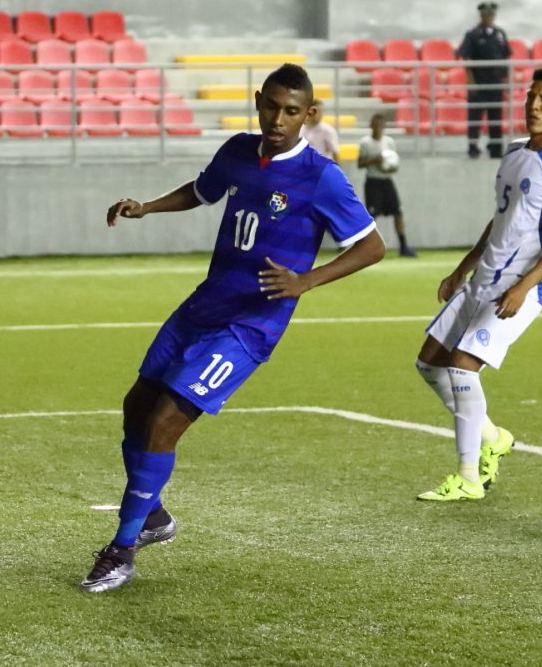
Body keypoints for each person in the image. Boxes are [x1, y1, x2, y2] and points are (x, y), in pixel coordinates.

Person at [83, 64, 385, 592]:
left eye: (292, 111)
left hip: (250, 326)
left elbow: (371, 245)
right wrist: (147, 207)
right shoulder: (238, 151)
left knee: (165, 423)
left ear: (310, 115)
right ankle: (152, 515)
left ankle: (122, 549)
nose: (278, 118)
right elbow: (202, 191)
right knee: (135, 406)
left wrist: (307, 280)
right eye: (270, 106)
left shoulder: (321, 176)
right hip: (203, 307)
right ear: (258, 101)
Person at [414, 67, 542, 502]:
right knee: (429, 363)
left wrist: (524, 287)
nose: (534, 105)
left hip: (517, 288)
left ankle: (469, 477)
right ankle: (494, 437)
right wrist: (462, 268)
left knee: (461, 366)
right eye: (532, 96)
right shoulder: (513, 153)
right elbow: (500, 221)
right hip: (482, 279)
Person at [457, 1, 511, 160]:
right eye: (486, 15)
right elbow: (466, 59)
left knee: (496, 116)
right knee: (475, 116)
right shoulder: (472, 35)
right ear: (481, 15)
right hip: (479, 81)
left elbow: (506, 57)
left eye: (491, 15)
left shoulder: (499, 34)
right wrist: (471, 81)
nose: (488, 17)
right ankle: (473, 146)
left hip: (495, 81)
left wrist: (505, 80)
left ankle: (496, 146)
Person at [357, 112, 416, 257]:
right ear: (371, 126)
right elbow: (360, 163)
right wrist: (374, 160)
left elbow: (393, 161)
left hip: (387, 180)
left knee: (397, 212)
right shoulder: (365, 142)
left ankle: (403, 246)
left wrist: (390, 166)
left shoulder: (389, 142)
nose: (378, 127)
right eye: (375, 124)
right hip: (373, 181)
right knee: (372, 215)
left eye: (381, 125)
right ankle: (365, 248)